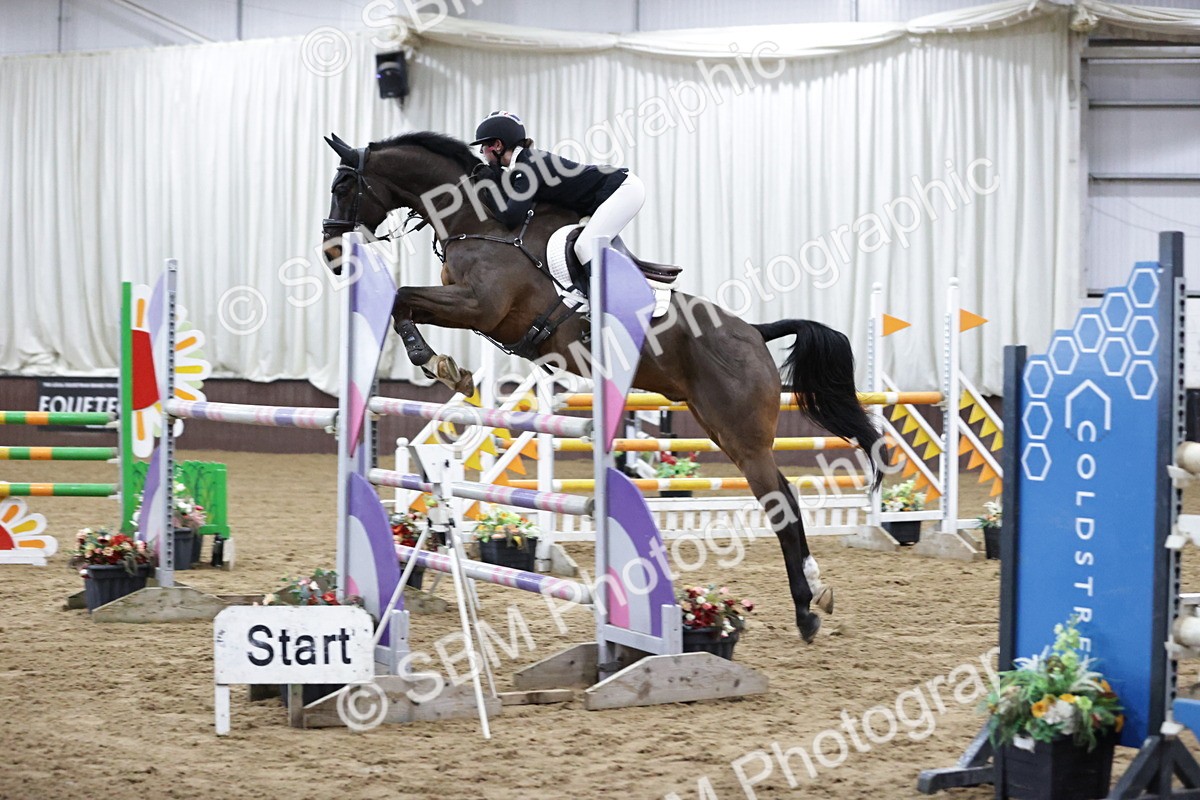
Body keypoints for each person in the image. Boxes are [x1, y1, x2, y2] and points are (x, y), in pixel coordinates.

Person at [469, 111, 645, 271]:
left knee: (584, 247)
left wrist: (491, 183)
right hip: (612, 191)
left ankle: (604, 305)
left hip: (624, 189)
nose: (482, 153)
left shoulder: (528, 167)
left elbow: (511, 218)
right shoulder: (524, 164)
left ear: (498, 145)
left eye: (483, 147)